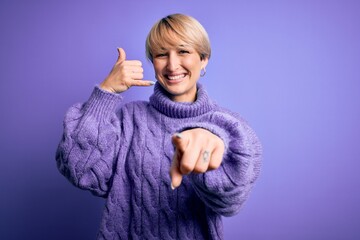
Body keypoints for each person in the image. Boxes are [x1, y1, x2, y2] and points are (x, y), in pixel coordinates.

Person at [56, 13, 262, 240]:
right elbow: (78, 169)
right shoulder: (128, 118)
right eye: (162, 54)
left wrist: (212, 146)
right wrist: (105, 93)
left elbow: (232, 201)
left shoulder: (227, 128)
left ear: (203, 59)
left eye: (183, 51)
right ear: (153, 62)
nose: (172, 65)